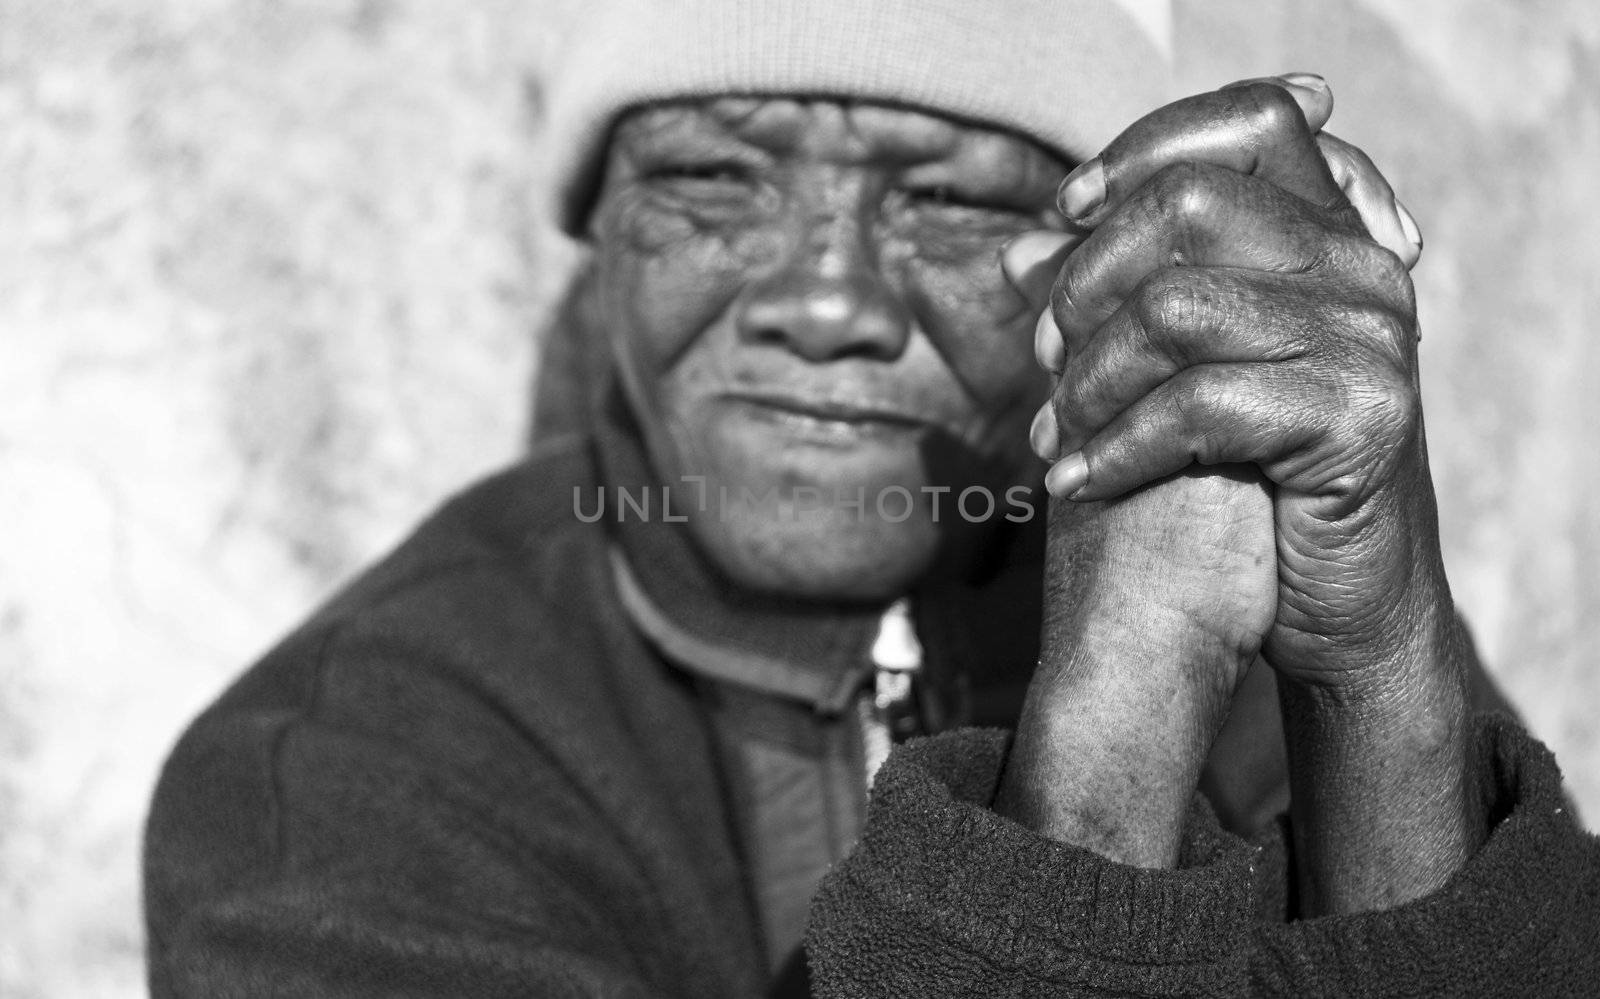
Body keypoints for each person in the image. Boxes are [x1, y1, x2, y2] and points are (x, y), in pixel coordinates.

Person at [144, 2, 1600, 995]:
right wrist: (1113, 718)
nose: (827, 300)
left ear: (1117, 254)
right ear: (603, 240)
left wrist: (1380, 663)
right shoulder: (353, 762)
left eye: (952, 201)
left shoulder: (1245, 599)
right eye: (714, 180)